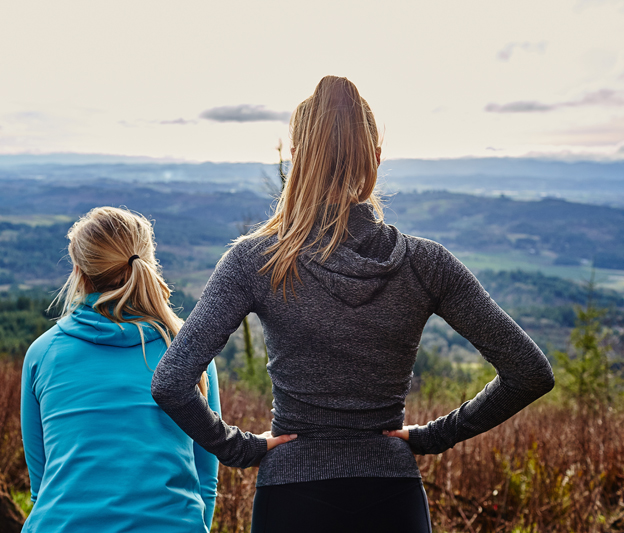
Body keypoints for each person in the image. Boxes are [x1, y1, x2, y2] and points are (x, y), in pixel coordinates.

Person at [151, 76, 555, 533]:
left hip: (290, 498)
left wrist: (241, 450)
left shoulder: (257, 260)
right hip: (392, 498)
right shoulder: (427, 264)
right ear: (377, 158)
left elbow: (170, 382)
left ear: (297, 157)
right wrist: (431, 437)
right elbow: (530, 372)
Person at [21, 206, 220, 532]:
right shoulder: (185, 351)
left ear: (79, 272)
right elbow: (205, 479)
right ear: (148, 263)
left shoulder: (43, 353)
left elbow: (41, 486)